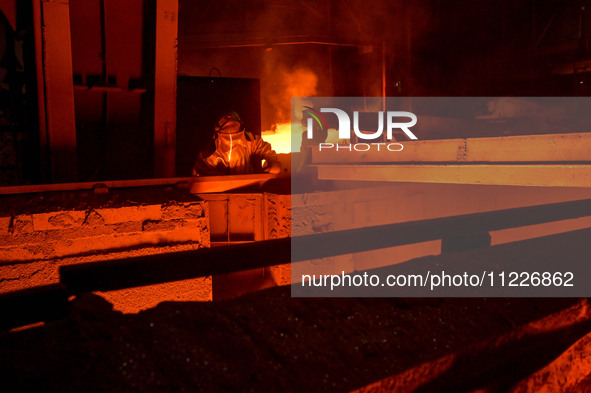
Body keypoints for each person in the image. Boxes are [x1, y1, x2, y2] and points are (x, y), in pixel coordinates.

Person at [192, 111, 281, 176]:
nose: (229, 117)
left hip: (248, 188)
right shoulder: (211, 149)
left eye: (231, 117)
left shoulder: (249, 140)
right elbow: (200, 169)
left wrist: (273, 162)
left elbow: (263, 148)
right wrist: (214, 175)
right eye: (226, 117)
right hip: (220, 192)